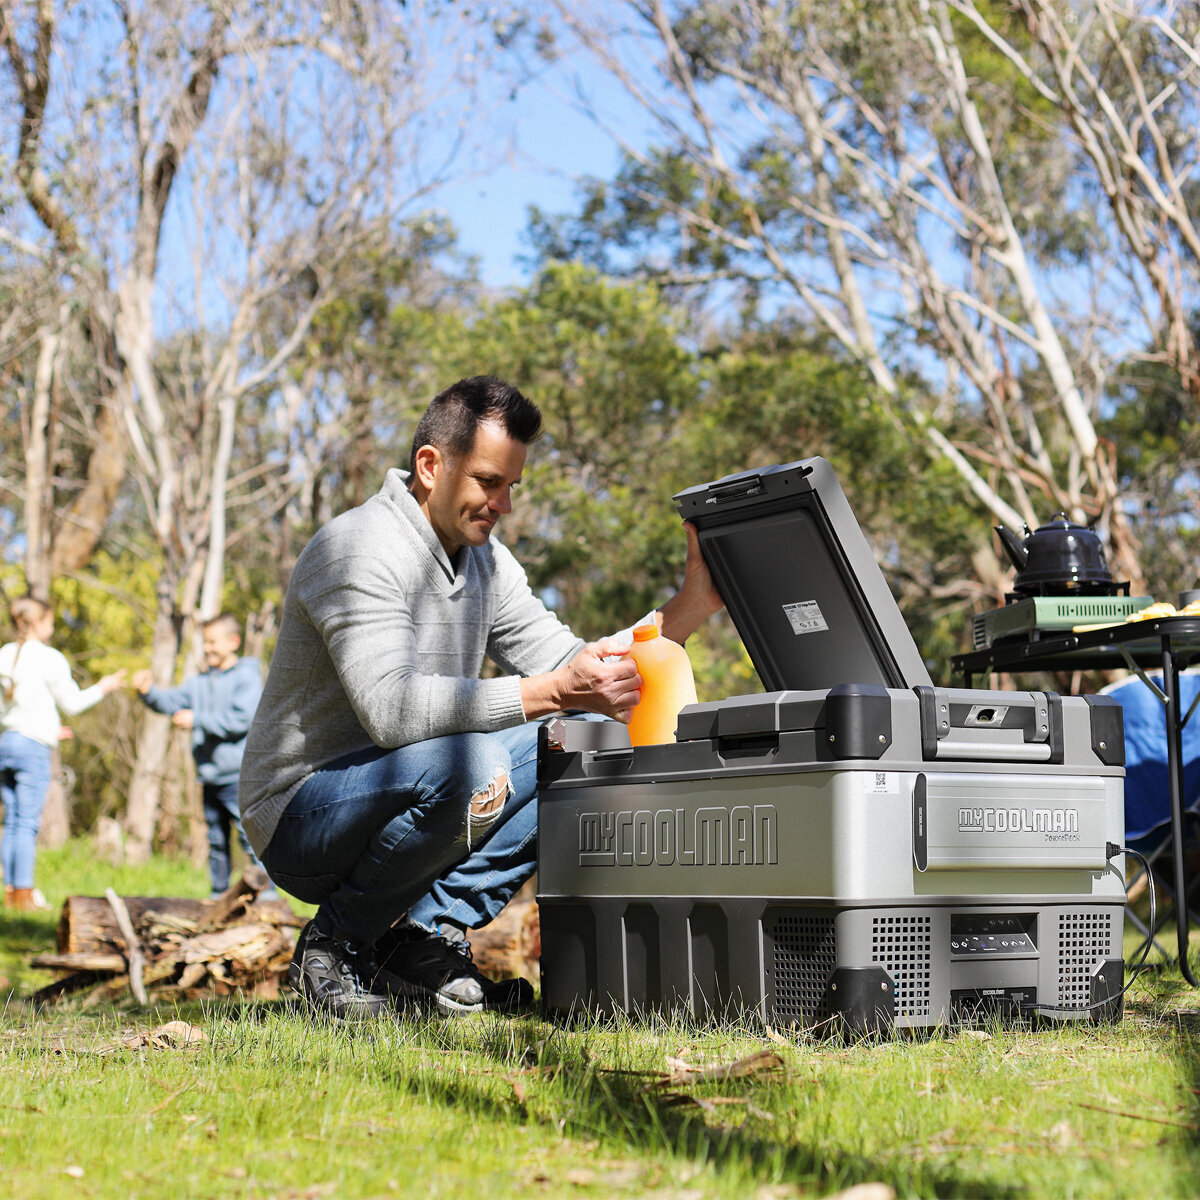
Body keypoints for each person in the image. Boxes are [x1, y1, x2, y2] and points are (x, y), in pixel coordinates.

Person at [240, 375, 723, 1019]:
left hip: (413, 798)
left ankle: (422, 936)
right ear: (431, 466)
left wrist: (692, 604)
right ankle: (335, 945)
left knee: (581, 739)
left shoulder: (487, 563)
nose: (504, 505)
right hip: (303, 815)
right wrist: (555, 691)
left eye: (511, 487)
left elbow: (574, 664)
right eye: (488, 482)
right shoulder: (357, 549)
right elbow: (392, 710)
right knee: (484, 761)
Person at [0, 596, 126, 910]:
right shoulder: (50, 658)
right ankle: (25, 896)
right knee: (26, 823)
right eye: (51, 621)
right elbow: (72, 703)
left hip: (7, 744)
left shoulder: (5, 655)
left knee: (13, 822)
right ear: (38, 623)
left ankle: (11, 891)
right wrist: (104, 687)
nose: (53, 627)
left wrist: (49, 727)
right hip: (32, 749)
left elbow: (16, 708)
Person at [133, 614, 267, 899]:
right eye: (204, 643)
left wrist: (199, 719)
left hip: (240, 775)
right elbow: (171, 702)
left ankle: (267, 894)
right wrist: (148, 693)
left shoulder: (247, 676)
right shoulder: (199, 683)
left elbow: (243, 719)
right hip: (209, 775)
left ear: (233, 642)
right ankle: (219, 895)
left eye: (212, 642)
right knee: (216, 841)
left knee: (249, 837)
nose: (207, 649)